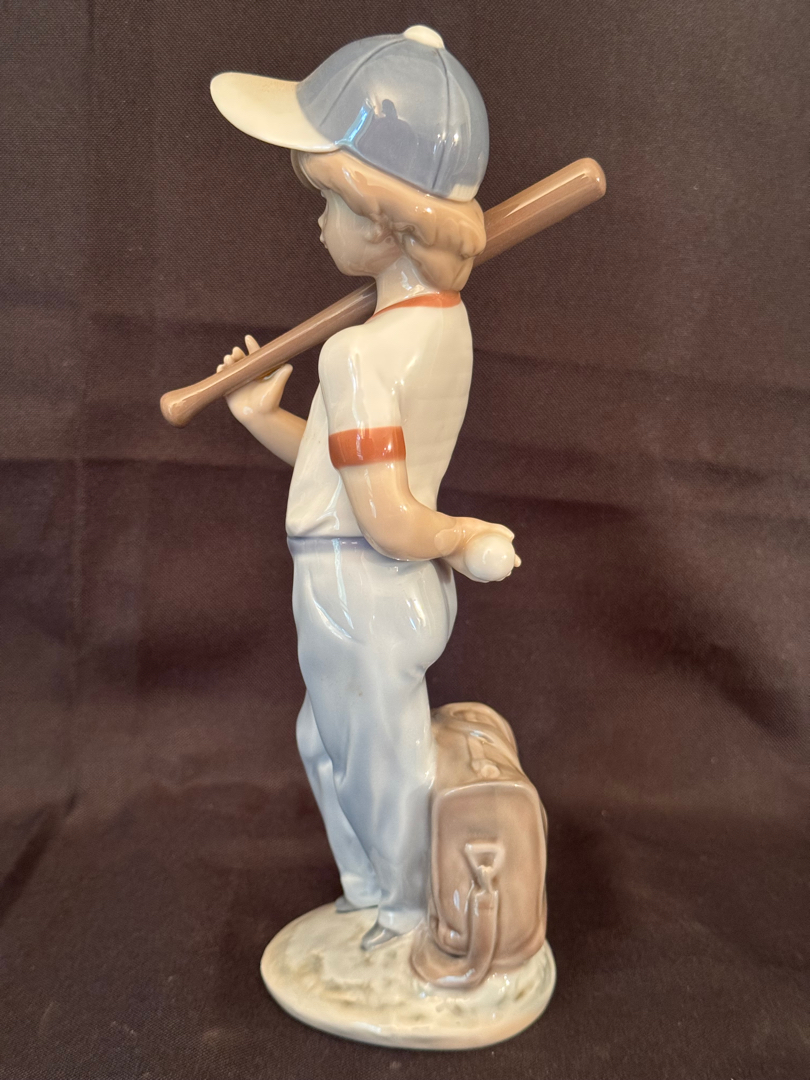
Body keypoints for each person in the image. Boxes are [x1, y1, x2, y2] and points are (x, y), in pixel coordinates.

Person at [211, 26, 519, 950]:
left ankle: (407, 915)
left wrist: (460, 531)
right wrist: (263, 417)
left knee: (376, 761)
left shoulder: (357, 352)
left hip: (359, 583)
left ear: (382, 221)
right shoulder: (439, 327)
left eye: (328, 202)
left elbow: (384, 519)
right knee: (325, 742)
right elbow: (348, 472)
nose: (317, 222)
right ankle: (366, 891)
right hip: (389, 584)